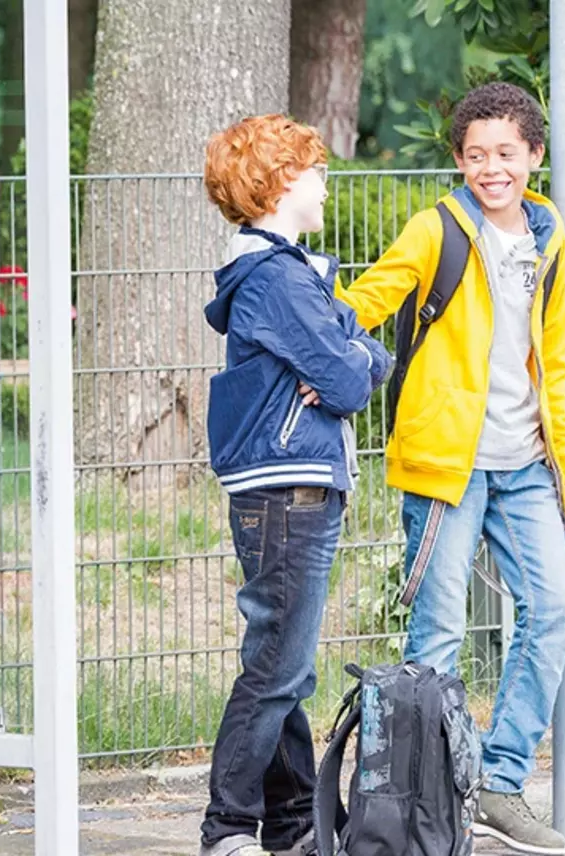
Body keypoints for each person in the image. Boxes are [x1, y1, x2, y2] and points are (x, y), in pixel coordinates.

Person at [338, 81, 565, 856]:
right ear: (459, 160)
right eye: (476, 155)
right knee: (438, 634)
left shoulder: (550, 239)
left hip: (523, 465)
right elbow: (367, 302)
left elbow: (554, 365)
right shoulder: (435, 229)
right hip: (445, 467)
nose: (492, 168)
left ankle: (498, 784)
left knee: (553, 609)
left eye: (506, 155)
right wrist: (308, 342)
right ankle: (427, 806)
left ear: (533, 157)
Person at [197, 115, 393, 856]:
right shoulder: (276, 280)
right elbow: (348, 375)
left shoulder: (291, 272)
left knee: (287, 664)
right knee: (276, 668)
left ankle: (292, 827)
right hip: (289, 492)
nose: (324, 182)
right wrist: (350, 363)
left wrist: (354, 359)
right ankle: (228, 828)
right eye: (314, 170)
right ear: (280, 185)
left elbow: (365, 351)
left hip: (294, 490)